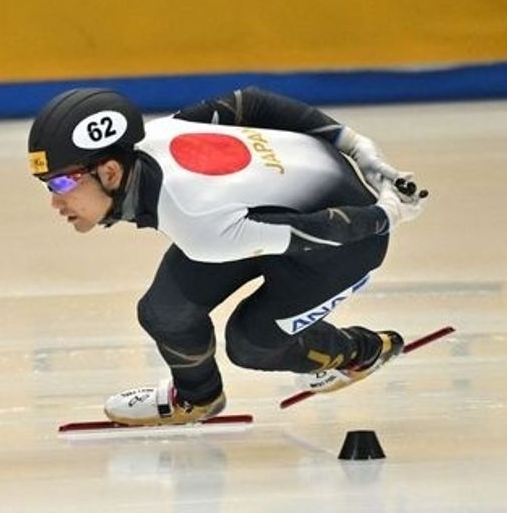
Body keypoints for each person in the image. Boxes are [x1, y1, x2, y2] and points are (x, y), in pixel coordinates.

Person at [26, 86, 427, 426]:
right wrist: (351, 144)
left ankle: (360, 351)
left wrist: (385, 214)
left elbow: (315, 232)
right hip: (256, 214)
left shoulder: (195, 219)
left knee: (251, 344)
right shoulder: (161, 135)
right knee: (165, 312)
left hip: (341, 246)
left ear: (111, 172)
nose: (55, 199)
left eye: (60, 181)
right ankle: (197, 399)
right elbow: (249, 102)